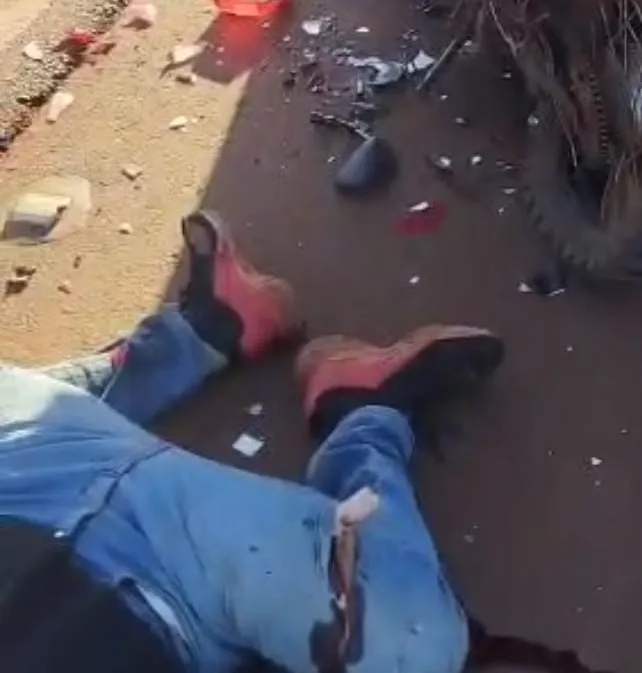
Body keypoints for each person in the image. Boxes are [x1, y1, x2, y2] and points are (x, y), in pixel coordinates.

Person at [0, 210, 505, 672]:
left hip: (22, 477)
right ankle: (358, 415)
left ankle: (209, 329)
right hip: (169, 591)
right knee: (413, 650)